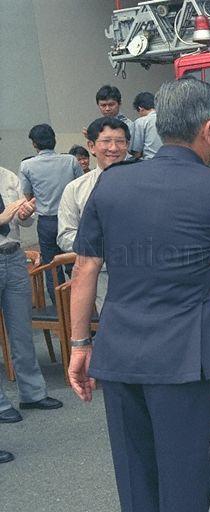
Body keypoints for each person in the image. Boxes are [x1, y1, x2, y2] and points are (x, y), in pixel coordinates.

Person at [67, 77, 210, 512]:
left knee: (134, 476)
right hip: (184, 356)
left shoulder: (111, 184)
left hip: (118, 350)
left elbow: (86, 267)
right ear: (209, 130)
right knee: (185, 476)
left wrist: (80, 344)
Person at [0, 163, 62, 446]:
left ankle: (33, 394)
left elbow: (22, 222)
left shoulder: (7, 176)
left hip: (13, 257)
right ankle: (1, 406)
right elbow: (6, 216)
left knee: (22, 329)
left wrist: (25, 214)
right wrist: (5, 214)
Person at [58, 117, 131, 312]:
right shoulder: (75, 189)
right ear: (91, 146)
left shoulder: (146, 183)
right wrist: (103, 246)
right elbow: (65, 236)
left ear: (128, 145)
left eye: (120, 141)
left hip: (143, 270)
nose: (113, 148)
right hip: (101, 275)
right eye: (106, 141)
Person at [19, 123, 82, 303]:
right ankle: (84, 308)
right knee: (75, 264)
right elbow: (80, 187)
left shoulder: (26, 165)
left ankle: (60, 312)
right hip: (72, 219)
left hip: (46, 222)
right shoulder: (70, 160)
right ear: (54, 140)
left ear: (34, 144)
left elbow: (29, 195)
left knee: (51, 268)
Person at [129, 92, 161, 160]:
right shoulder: (169, 119)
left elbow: (136, 153)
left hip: (149, 163)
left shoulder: (141, 122)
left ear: (140, 108)